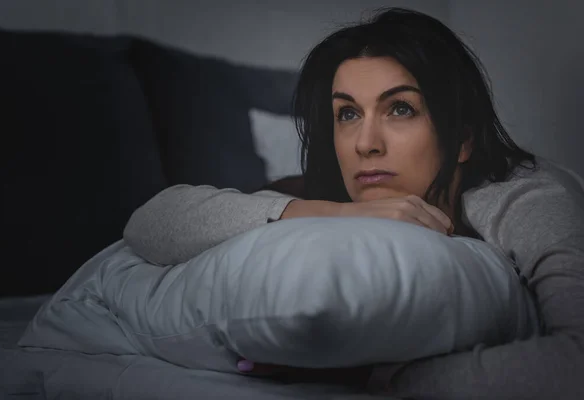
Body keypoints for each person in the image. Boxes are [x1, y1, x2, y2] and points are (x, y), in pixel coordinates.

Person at [123, 7, 584, 400]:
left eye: (400, 108)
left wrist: (373, 377)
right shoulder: (334, 195)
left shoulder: (527, 197)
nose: (365, 143)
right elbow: (151, 221)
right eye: (347, 113)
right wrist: (337, 212)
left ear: (462, 139)